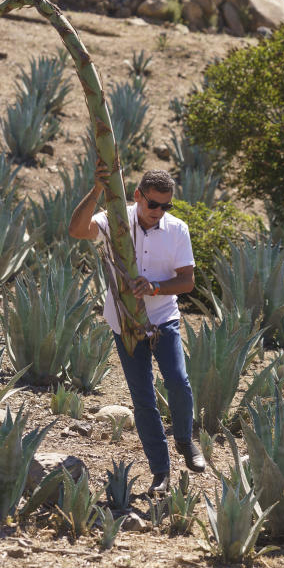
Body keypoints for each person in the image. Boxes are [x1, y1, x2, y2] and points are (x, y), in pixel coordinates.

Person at [68, 163, 205, 495]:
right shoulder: (115, 219)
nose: (158, 211)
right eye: (152, 204)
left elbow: (187, 281)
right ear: (138, 196)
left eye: (165, 206)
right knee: (143, 399)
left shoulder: (177, 230)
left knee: (178, 381)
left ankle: (186, 439)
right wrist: (98, 188)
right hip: (124, 323)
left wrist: (155, 287)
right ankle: (161, 472)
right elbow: (76, 229)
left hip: (163, 321)